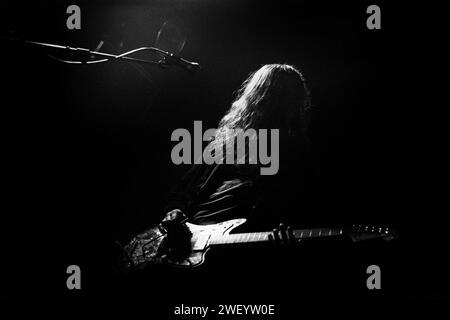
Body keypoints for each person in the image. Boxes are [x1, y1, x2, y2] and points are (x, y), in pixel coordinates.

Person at [161, 63, 314, 248]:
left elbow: (291, 211)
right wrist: (175, 211)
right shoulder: (229, 141)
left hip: (231, 248)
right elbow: (183, 190)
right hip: (189, 238)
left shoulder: (293, 156)